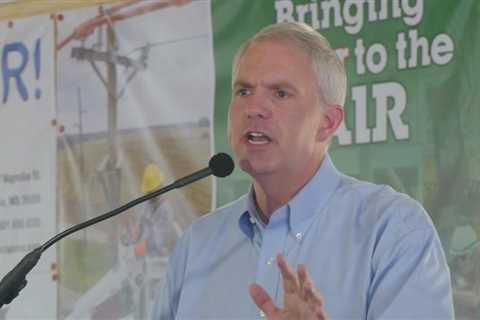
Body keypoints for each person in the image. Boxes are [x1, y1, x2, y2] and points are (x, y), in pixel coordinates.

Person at [153, 22, 453, 319]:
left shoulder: (392, 231)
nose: (254, 108)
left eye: (280, 93)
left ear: (328, 122)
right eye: (243, 91)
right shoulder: (197, 245)